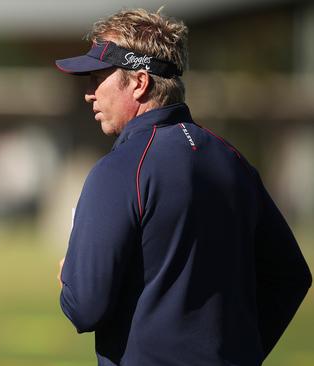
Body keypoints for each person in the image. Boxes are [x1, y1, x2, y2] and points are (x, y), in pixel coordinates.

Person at [55, 8, 311, 366]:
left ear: (140, 83)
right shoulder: (232, 161)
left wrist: (70, 273)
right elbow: (290, 276)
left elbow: (85, 308)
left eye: (98, 77)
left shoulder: (120, 169)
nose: (88, 93)